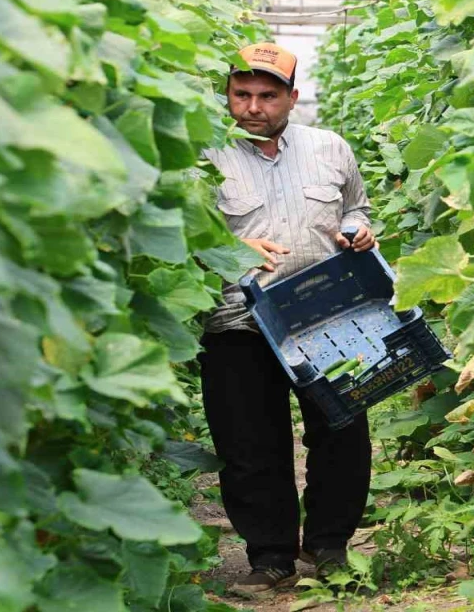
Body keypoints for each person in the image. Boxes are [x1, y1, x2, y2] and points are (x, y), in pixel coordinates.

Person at [197, 43, 377, 596]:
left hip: (325, 315)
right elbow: (184, 235)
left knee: (343, 434)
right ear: (227, 95)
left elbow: (356, 207)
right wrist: (228, 245)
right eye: (242, 94)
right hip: (238, 320)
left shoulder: (330, 149)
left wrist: (359, 229)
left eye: (267, 95)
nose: (253, 106)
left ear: (292, 98)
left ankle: (328, 546)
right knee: (250, 442)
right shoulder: (203, 157)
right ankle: (269, 556)